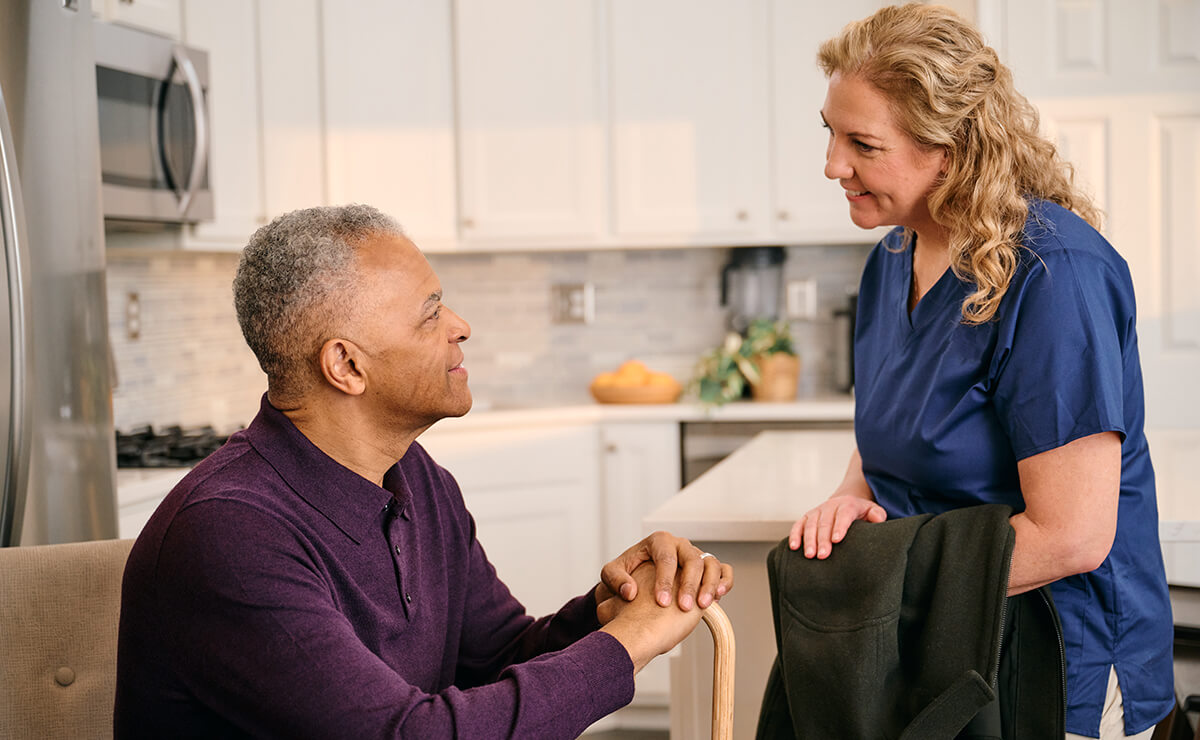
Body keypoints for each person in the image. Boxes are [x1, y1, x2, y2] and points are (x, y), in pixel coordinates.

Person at [113, 204, 733, 739]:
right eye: (430, 314)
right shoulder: (229, 536)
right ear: (347, 367)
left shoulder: (416, 479)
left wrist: (610, 607)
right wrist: (629, 644)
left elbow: (496, 657)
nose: (460, 326)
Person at [788, 4, 1173, 739]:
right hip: (951, 642)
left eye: (863, 144)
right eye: (830, 132)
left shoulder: (1052, 272)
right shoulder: (893, 257)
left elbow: (1073, 537)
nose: (833, 164)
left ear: (952, 151)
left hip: (1058, 657)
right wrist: (852, 491)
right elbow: (899, 418)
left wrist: (876, 587)